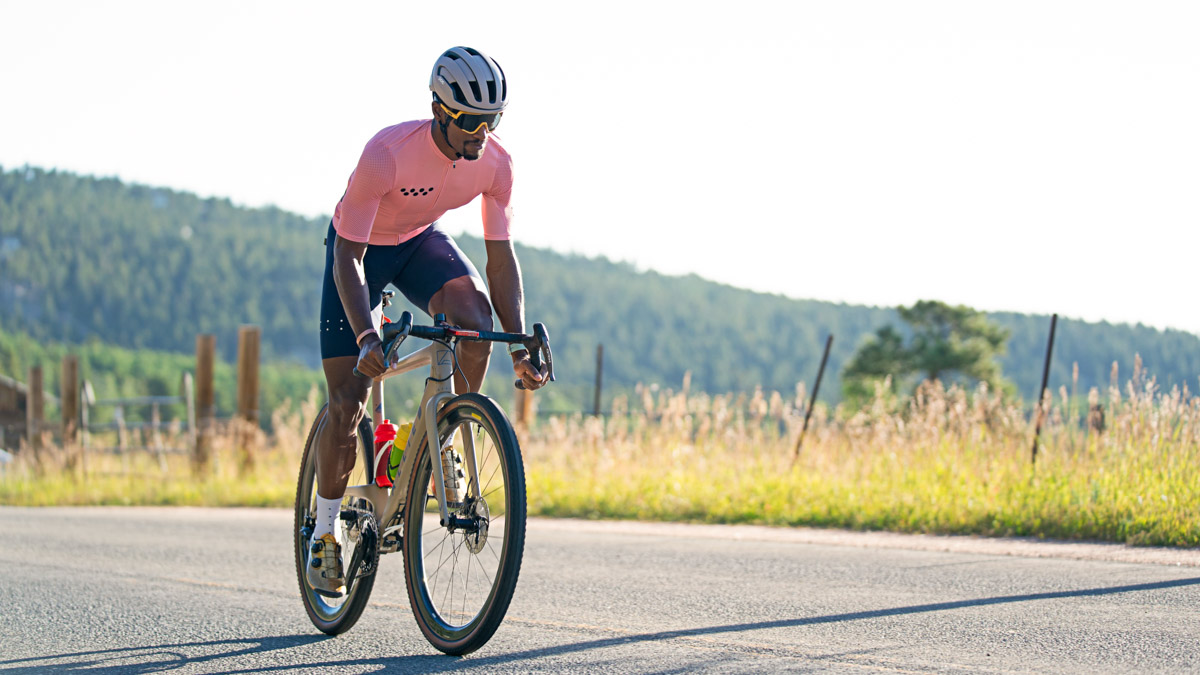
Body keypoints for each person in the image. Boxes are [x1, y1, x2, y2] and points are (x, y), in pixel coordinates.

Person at [307, 46, 548, 598]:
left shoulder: (496, 164)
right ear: (440, 110)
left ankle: (445, 437)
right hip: (360, 252)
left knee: (474, 319)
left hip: (419, 243)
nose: (482, 133)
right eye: (470, 121)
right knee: (349, 397)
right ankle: (323, 533)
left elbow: (500, 256)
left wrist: (517, 345)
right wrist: (368, 335)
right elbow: (349, 257)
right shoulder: (387, 154)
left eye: (493, 121)